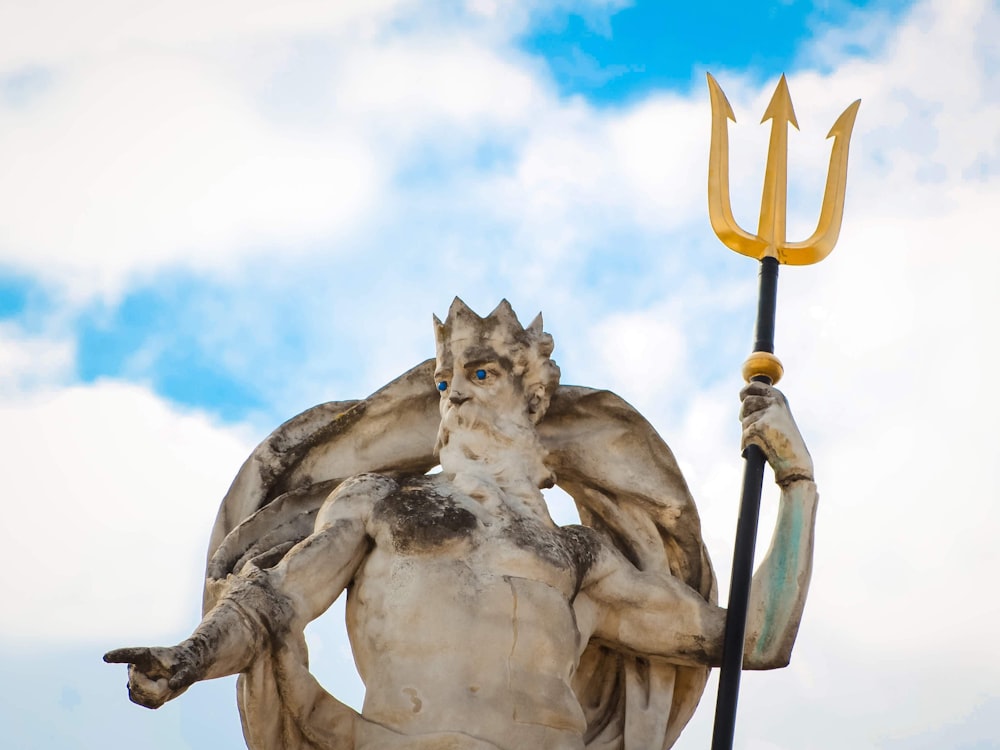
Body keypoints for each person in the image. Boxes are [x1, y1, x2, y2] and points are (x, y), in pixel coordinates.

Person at [106, 299, 818, 750]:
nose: (452, 396)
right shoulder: (381, 501)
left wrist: (796, 482)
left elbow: (754, 640)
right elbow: (273, 602)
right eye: (445, 381)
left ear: (531, 395)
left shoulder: (580, 558)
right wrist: (190, 658)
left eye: (478, 376)